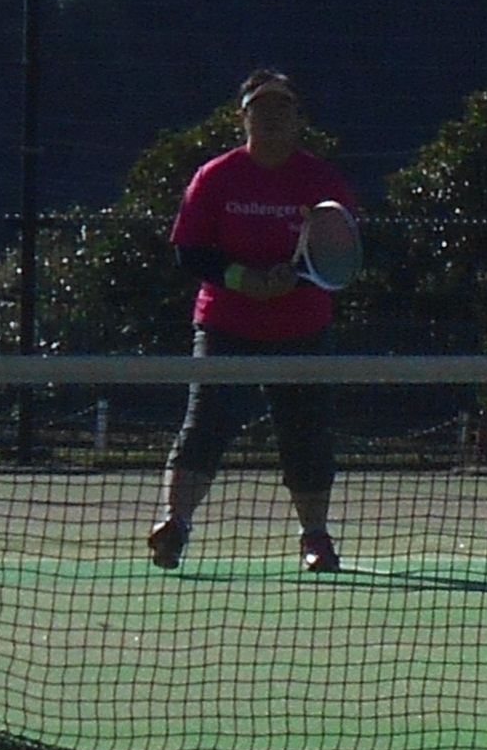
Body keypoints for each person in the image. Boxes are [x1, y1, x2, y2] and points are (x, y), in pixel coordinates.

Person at [151, 69, 355, 574]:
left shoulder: (321, 181)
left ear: (298, 118)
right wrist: (244, 278)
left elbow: (338, 253)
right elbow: (190, 252)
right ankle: (174, 526)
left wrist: (295, 281)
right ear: (242, 118)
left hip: (302, 329)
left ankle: (315, 538)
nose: (272, 117)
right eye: (260, 108)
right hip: (226, 326)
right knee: (205, 428)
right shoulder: (215, 177)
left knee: (307, 434)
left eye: (282, 107)